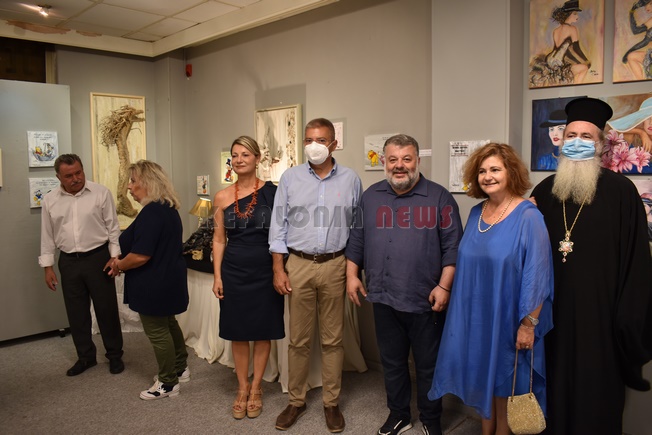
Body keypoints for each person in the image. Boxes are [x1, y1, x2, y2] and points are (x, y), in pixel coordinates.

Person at [530, 97, 652, 434]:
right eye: (571, 135)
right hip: (551, 318)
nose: (577, 142)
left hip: (601, 322)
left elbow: (636, 264)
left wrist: (626, 320)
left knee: (595, 402)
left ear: (599, 145)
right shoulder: (543, 192)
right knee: (551, 396)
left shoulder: (622, 193)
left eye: (586, 136)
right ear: (561, 141)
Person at [428, 143, 554, 435]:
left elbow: (538, 276)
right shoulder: (476, 212)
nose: (488, 176)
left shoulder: (529, 216)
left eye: (495, 169)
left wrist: (528, 325)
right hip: (478, 318)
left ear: (510, 173)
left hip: (510, 317)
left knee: (504, 382)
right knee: (485, 379)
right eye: (482, 171)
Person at [346, 134, 463, 435]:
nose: (399, 165)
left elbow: (453, 247)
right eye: (393, 159)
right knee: (393, 362)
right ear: (384, 162)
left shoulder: (439, 198)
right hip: (383, 296)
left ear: (417, 161)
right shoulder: (370, 196)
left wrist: (444, 287)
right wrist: (351, 276)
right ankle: (399, 414)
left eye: (406, 159)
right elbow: (357, 239)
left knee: (427, 365)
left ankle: (431, 419)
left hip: (425, 299)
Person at [269, 118, 362, 433]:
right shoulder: (290, 178)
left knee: (333, 339)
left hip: (336, 264)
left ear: (334, 144)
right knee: (298, 340)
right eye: (309, 139)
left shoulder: (350, 179)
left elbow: (358, 228)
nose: (314, 146)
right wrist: (278, 268)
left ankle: (331, 403)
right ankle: (296, 400)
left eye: (321, 140)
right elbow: (278, 226)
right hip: (299, 264)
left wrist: (353, 270)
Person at [212, 136, 284, 420]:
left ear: (257, 158)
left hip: (265, 270)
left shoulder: (273, 193)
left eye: (245, 154)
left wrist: (280, 269)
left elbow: (281, 235)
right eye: (235, 155)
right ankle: (242, 387)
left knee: (263, 330)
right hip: (234, 271)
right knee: (238, 331)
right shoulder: (221, 197)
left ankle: (257, 388)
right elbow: (219, 239)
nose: (239, 160)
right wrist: (217, 276)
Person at [107, 160, 189, 401]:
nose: (129, 187)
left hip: (154, 283)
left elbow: (141, 255)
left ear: (148, 182)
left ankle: (168, 382)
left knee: (157, 331)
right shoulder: (167, 208)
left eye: (133, 181)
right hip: (168, 280)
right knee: (169, 324)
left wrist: (119, 265)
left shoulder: (152, 213)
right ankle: (180, 368)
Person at [39, 153, 124, 377]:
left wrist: (115, 257)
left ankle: (115, 355)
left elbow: (113, 228)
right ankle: (86, 357)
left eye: (79, 172)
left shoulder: (100, 193)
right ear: (58, 177)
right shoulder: (50, 200)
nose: (76, 178)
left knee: (106, 309)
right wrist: (48, 267)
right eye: (69, 175)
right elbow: (47, 236)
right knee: (76, 312)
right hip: (68, 261)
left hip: (98, 258)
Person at [529, 0, 591, 87]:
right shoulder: (572, 29)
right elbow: (576, 50)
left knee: (577, 69)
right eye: (575, 13)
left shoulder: (556, 31)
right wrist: (586, 61)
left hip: (550, 61)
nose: (577, 16)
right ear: (568, 15)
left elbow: (558, 49)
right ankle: (576, 89)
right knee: (584, 68)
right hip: (560, 63)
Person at [622, 0, 652, 81]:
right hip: (650, 55)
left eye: (649, 4)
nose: (645, 7)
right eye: (644, 5)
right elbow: (636, 30)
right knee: (631, 56)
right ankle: (642, 83)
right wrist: (631, 13)